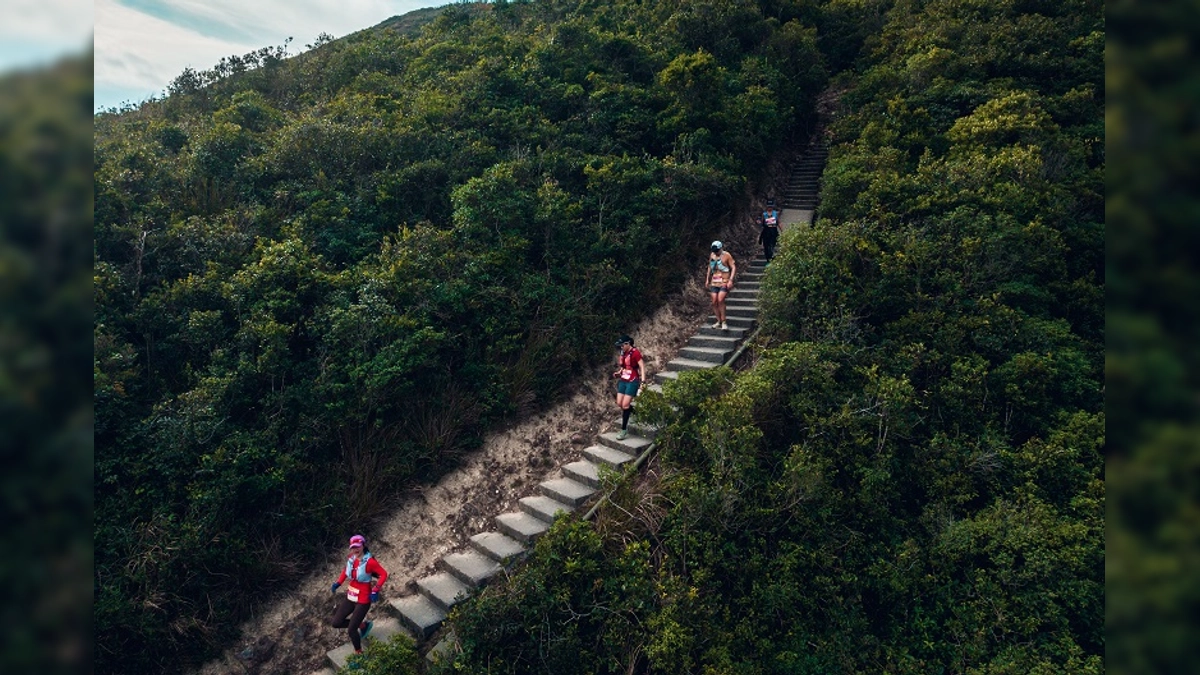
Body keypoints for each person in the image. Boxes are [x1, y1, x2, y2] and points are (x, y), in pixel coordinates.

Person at [329, 534, 388, 655]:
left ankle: (359, 652)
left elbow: (383, 574)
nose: (355, 549)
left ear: (363, 545)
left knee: (351, 630)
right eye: (353, 547)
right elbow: (346, 570)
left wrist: (375, 589)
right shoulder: (351, 558)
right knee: (336, 622)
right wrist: (338, 583)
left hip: (363, 599)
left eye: (358, 546)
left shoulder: (370, 562)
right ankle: (362, 625)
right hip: (351, 595)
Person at [612, 335, 646, 440]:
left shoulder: (635, 353)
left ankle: (623, 430)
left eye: (622, 345)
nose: (621, 347)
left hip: (632, 380)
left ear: (628, 344)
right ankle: (636, 412)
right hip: (623, 379)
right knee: (619, 403)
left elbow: (642, 366)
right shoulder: (623, 353)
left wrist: (643, 381)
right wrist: (619, 372)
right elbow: (624, 366)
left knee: (625, 405)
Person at [705, 241, 736, 330]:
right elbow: (710, 267)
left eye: (717, 251)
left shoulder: (727, 255)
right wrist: (707, 279)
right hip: (715, 280)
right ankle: (718, 320)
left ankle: (724, 321)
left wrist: (730, 280)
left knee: (720, 299)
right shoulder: (712, 255)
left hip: (724, 280)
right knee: (714, 301)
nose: (716, 252)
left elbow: (733, 267)